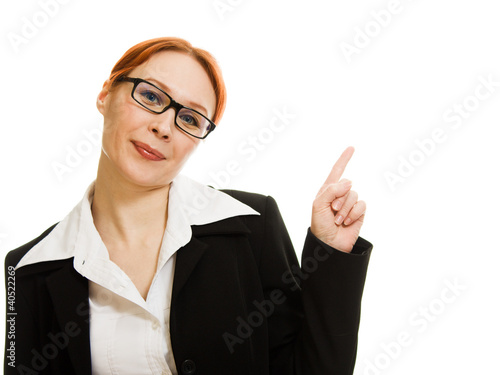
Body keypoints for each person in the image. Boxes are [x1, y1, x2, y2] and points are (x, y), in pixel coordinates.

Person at [4, 37, 373, 375]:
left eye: (189, 119)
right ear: (105, 95)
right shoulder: (28, 269)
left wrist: (331, 253)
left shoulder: (251, 227)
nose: (165, 127)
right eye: (150, 97)